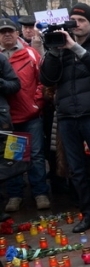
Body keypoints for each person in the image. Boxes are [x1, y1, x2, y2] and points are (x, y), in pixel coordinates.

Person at [39, 3, 90, 235]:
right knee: (77, 170)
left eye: (82, 20)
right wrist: (54, 50)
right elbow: (46, 78)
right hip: (66, 116)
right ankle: (89, 214)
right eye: (73, 20)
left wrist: (75, 48)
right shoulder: (59, 48)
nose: (77, 24)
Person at [0, 19, 46, 211]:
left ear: (17, 32)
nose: (7, 35)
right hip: (8, 118)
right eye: (3, 32)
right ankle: (15, 195)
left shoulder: (30, 53)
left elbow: (42, 80)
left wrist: (37, 101)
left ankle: (41, 193)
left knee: (36, 155)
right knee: (13, 157)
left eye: (10, 31)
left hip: (30, 114)